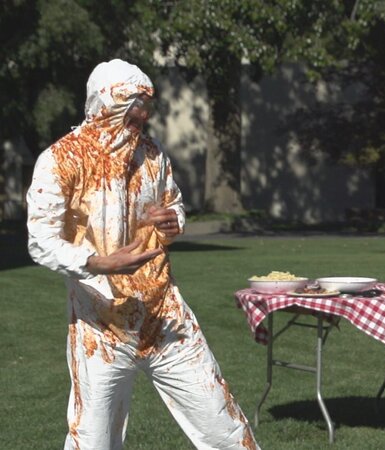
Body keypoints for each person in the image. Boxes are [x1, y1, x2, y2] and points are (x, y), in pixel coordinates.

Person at [27, 59, 259, 450]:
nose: (144, 115)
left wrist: (173, 221)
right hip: (101, 323)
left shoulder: (151, 155)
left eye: (145, 105)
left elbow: (174, 204)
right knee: (93, 440)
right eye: (134, 105)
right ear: (107, 103)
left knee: (224, 427)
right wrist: (98, 262)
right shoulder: (61, 159)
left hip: (165, 316)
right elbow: (39, 240)